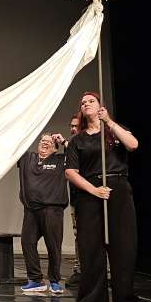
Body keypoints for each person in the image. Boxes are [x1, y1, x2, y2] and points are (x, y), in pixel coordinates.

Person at [64, 92, 146, 302]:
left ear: (101, 106)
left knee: (124, 245)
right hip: (91, 192)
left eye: (91, 101)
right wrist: (94, 190)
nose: (86, 104)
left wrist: (109, 121)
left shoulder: (114, 131)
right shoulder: (77, 140)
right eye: (83, 102)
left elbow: (133, 145)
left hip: (118, 189)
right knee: (91, 246)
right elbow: (70, 172)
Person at [18, 133, 69, 295]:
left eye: (50, 141)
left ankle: (54, 281)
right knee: (27, 242)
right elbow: (14, 146)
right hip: (31, 210)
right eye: (42, 140)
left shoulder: (60, 160)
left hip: (52, 209)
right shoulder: (28, 158)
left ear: (55, 148)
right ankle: (35, 280)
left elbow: (77, 154)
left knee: (53, 246)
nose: (45, 143)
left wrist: (63, 141)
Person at [63, 114, 82, 285]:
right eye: (71, 126)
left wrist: (65, 143)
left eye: (76, 126)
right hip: (76, 199)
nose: (73, 129)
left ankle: (106, 271)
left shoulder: (88, 144)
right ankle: (79, 270)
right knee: (78, 234)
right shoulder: (70, 146)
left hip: (91, 196)